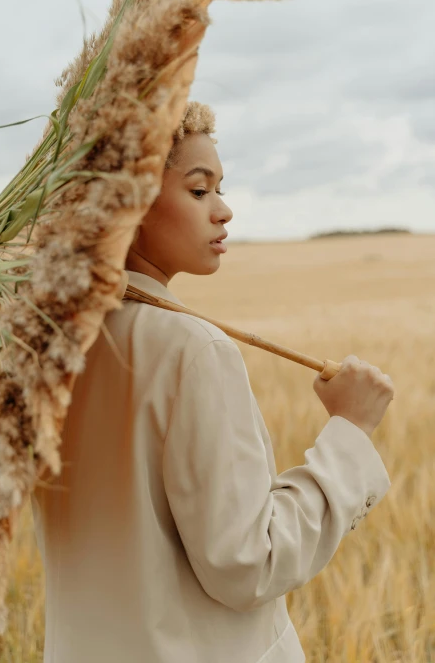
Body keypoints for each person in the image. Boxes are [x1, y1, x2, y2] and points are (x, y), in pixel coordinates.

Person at [31, 101, 394, 662]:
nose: (224, 210)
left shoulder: (44, 343)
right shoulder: (193, 350)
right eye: (199, 191)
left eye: (219, 189)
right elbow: (248, 562)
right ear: (127, 201)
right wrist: (349, 432)